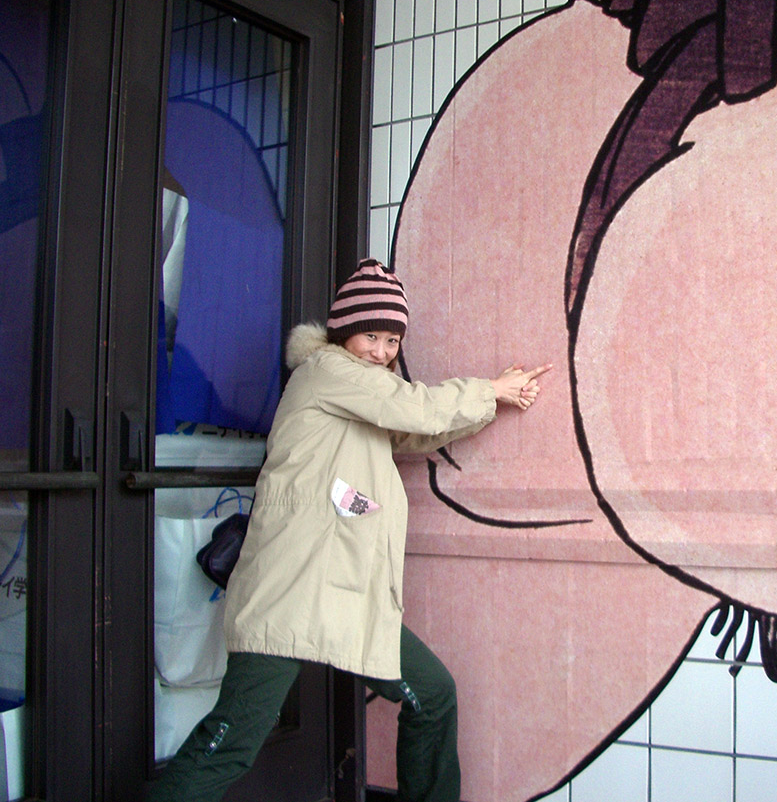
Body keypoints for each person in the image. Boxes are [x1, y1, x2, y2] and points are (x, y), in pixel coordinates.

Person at [148, 258, 551, 802]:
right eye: (372, 336)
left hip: (338, 592)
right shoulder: (327, 373)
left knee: (431, 695)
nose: (383, 352)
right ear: (342, 333)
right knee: (233, 740)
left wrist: (490, 407)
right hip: (289, 589)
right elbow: (413, 407)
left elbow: (408, 432)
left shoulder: (358, 389)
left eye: (392, 340)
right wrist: (492, 389)